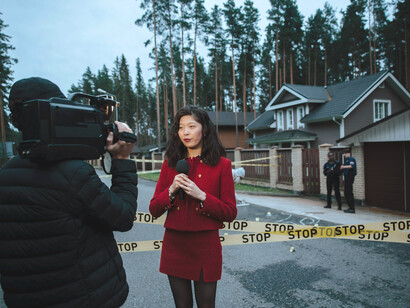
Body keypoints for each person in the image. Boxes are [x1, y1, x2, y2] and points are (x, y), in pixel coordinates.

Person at [0, 77, 138, 308]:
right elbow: (123, 216)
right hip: (84, 298)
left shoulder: (5, 176)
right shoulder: (73, 175)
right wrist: (122, 159)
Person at [149, 106, 237, 308]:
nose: (185, 132)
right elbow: (154, 209)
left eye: (191, 126)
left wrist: (202, 196)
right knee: (182, 305)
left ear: (204, 129)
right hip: (174, 244)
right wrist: (170, 190)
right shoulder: (170, 164)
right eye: (181, 128)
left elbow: (230, 212)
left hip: (205, 246)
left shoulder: (222, 165)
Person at [340, 148, 357, 213]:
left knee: (349, 192)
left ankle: (352, 208)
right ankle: (350, 207)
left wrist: (344, 167)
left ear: (348, 153)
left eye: (345, 154)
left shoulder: (351, 159)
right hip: (347, 177)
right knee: (346, 192)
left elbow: (352, 166)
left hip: (350, 177)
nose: (344, 155)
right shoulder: (347, 160)